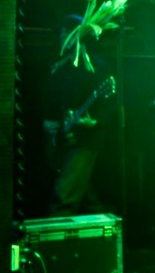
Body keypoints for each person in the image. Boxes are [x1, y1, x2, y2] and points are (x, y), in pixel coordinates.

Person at [44, 15, 116, 217]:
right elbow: (52, 100)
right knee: (88, 200)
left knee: (62, 198)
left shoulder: (96, 65)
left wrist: (95, 121)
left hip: (86, 140)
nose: (64, 36)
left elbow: (110, 103)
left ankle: (56, 235)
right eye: (62, 32)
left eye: (69, 31)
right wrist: (49, 121)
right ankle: (106, 231)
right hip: (65, 137)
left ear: (81, 35)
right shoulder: (59, 66)